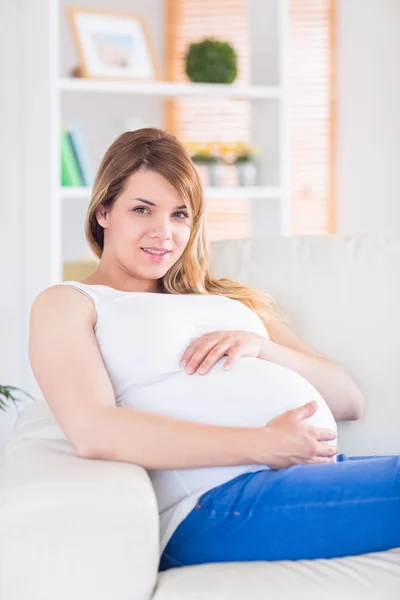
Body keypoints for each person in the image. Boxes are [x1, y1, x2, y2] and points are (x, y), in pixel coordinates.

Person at [29, 127, 399, 572]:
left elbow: (348, 399)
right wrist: (262, 444)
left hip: (308, 475)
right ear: (104, 210)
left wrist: (261, 347)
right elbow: (94, 430)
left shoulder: (227, 299)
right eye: (142, 209)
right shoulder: (70, 302)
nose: (163, 233)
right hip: (217, 501)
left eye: (180, 215)